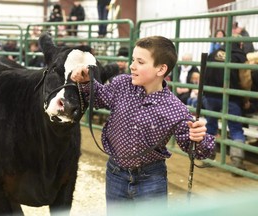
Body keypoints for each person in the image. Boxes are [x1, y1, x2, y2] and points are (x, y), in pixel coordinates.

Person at [70, 36, 215, 214]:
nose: (132, 66)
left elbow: (196, 149)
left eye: (140, 62)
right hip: (115, 172)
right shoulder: (122, 84)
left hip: (151, 179)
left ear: (161, 69)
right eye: (133, 60)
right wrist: (86, 82)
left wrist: (198, 138)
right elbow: (99, 97)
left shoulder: (175, 109)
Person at [203, 40, 248, 174]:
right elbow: (245, 79)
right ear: (240, 45)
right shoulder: (239, 57)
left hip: (210, 95)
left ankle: (207, 157)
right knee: (235, 128)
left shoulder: (213, 54)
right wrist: (245, 97)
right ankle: (236, 161)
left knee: (210, 125)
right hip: (230, 96)